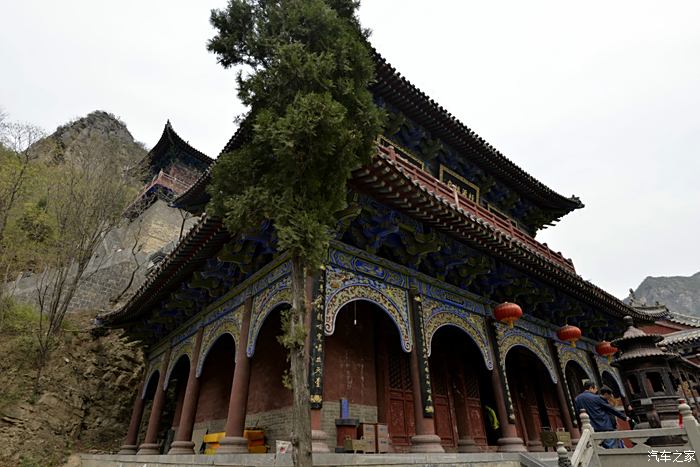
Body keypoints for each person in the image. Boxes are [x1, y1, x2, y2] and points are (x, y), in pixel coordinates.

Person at [574, 380, 629, 449]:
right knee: (611, 448)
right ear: (591, 388)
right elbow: (610, 409)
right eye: (596, 389)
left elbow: (577, 414)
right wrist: (624, 417)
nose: (596, 391)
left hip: (590, 428)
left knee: (598, 449)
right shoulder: (596, 398)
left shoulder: (577, 399)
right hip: (604, 426)